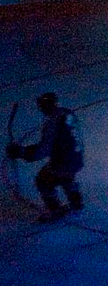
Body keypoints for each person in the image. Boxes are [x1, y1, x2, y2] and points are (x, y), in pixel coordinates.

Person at [5, 92, 84, 222]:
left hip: (63, 161)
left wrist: (22, 152)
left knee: (43, 181)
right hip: (76, 156)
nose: (41, 109)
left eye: (42, 106)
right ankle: (77, 205)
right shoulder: (67, 113)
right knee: (67, 178)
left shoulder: (53, 121)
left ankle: (55, 209)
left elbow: (44, 149)